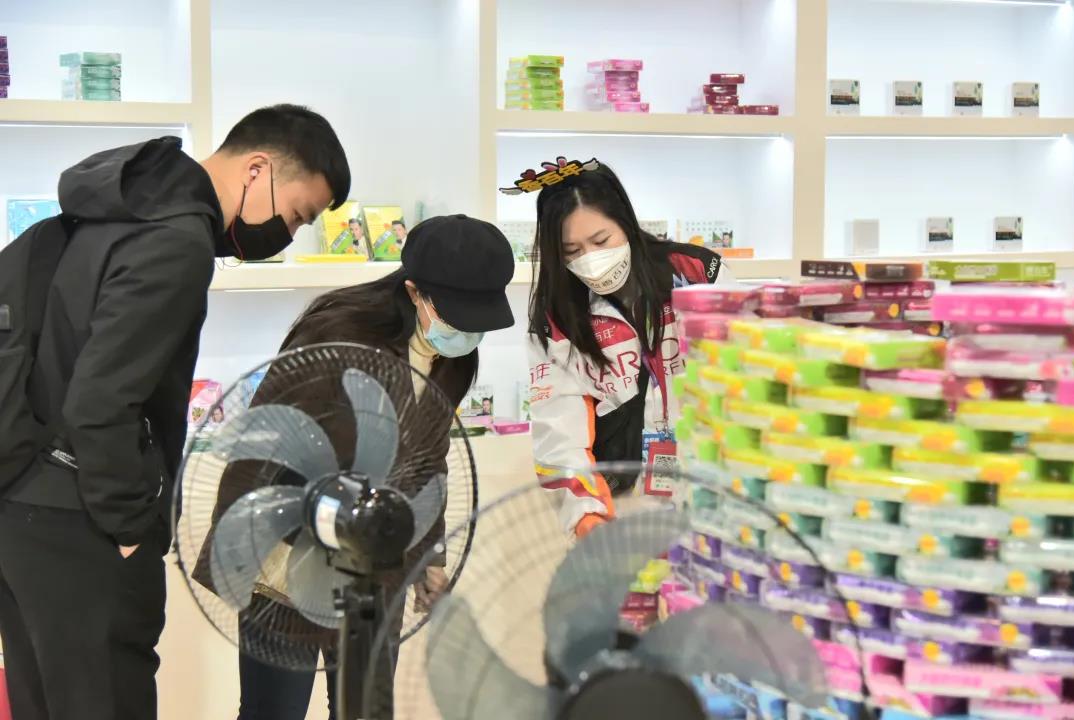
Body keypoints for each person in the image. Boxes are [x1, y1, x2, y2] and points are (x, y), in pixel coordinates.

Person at [0, 104, 350, 720]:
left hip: (22, 504)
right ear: (257, 169)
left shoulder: (112, 207)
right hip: (82, 523)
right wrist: (130, 527)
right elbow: (100, 402)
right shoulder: (176, 242)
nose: (290, 234)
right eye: (297, 214)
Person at [195, 214, 515, 720]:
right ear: (414, 292)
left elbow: (429, 461)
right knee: (273, 711)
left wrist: (429, 557)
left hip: (374, 567)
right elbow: (265, 441)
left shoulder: (454, 359)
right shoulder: (336, 336)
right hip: (287, 558)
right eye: (458, 316)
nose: (468, 332)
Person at [526, 161, 730, 538]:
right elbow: (559, 427)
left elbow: (741, 374)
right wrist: (587, 516)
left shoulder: (696, 271)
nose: (589, 259)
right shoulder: (556, 313)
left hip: (711, 489)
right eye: (572, 250)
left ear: (625, 222)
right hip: (618, 502)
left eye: (601, 241)